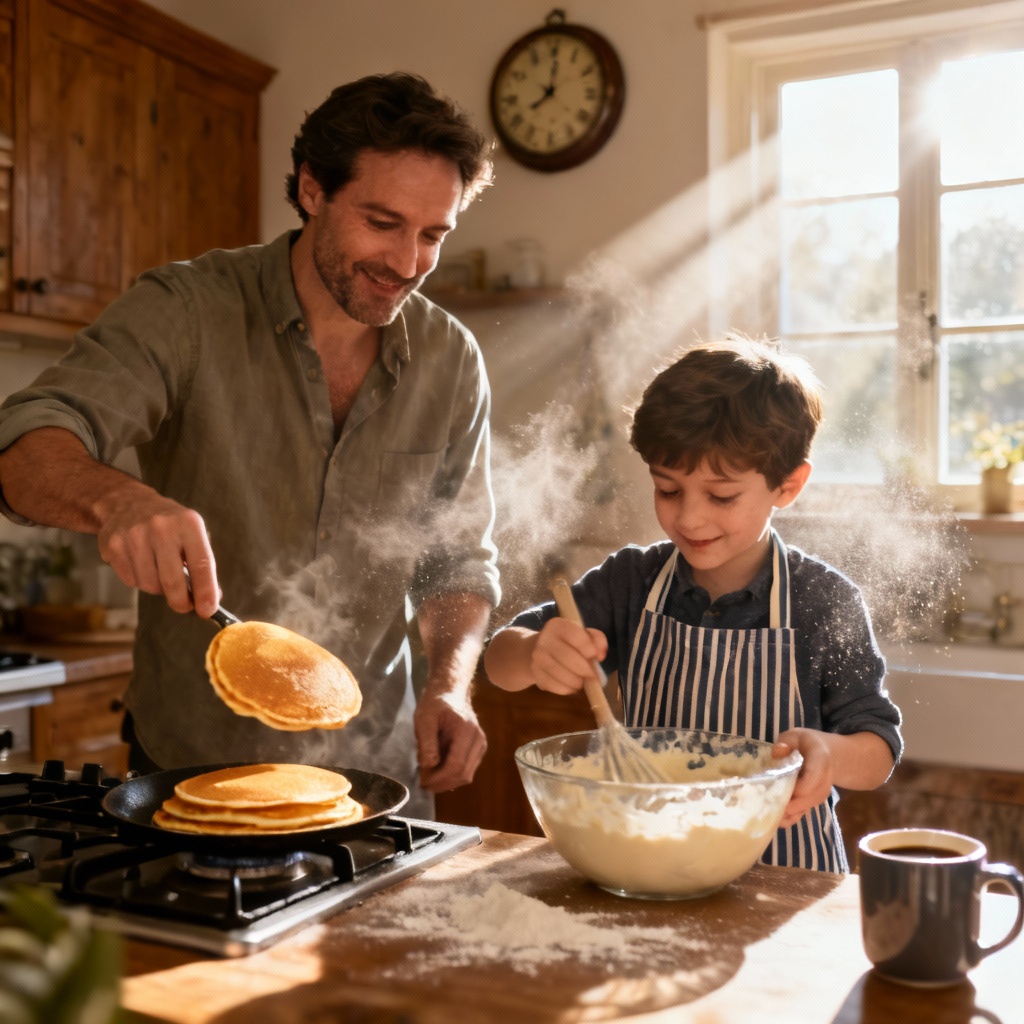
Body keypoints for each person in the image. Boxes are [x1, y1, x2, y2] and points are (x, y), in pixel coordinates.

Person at [0, 73, 500, 816]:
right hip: (190, 777)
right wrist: (118, 501)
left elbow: (454, 564)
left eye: (433, 234)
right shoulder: (186, 311)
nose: (407, 263)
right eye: (382, 221)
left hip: (377, 781)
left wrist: (448, 684)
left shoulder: (450, 359)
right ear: (310, 189)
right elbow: (23, 448)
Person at [484, 335, 902, 871]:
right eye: (668, 489)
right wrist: (535, 651)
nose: (689, 518)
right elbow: (500, 662)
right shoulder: (632, 581)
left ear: (789, 485)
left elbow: (878, 747)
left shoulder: (824, 601)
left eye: (722, 496)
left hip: (783, 877)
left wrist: (829, 754)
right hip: (653, 861)